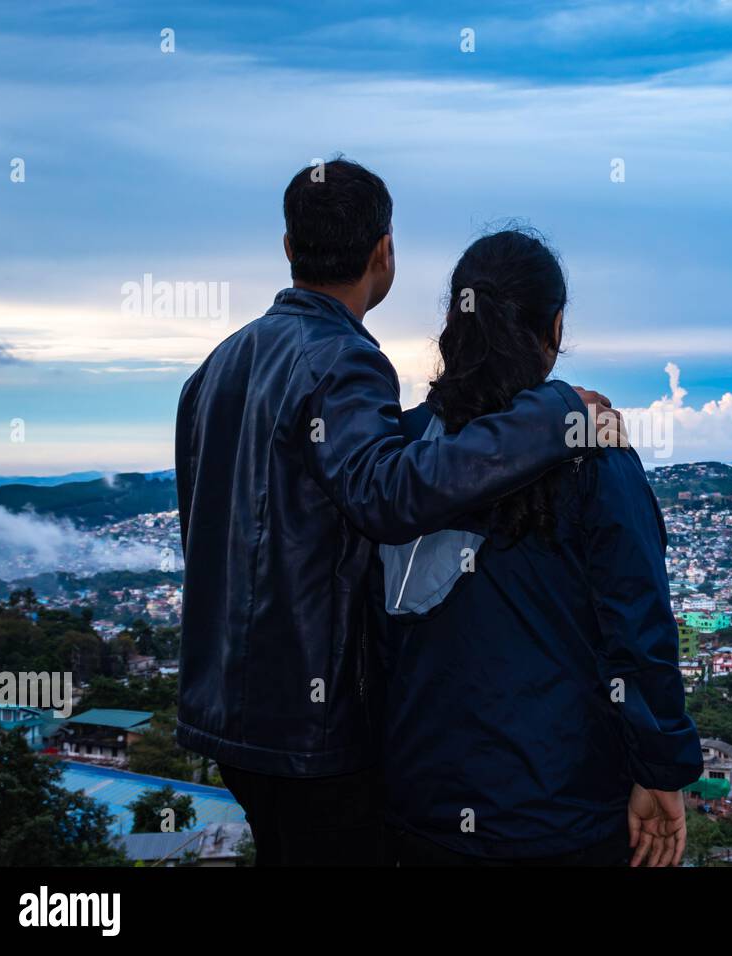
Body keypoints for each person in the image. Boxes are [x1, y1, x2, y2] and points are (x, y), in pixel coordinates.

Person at [174, 161, 621, 866]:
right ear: (385, 251)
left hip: (226, 713)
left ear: (289, 246)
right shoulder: (343, 360)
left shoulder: (216, 369)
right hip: (315, 728)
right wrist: (554, 414)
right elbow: (388, 494)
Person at [379, 228, 702, 868]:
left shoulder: (401, 455)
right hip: (562, 810)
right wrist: (660, 768)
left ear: (455, 323)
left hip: (420, 803)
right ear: (554, 329)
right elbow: (638, 628)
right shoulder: (596, 455)